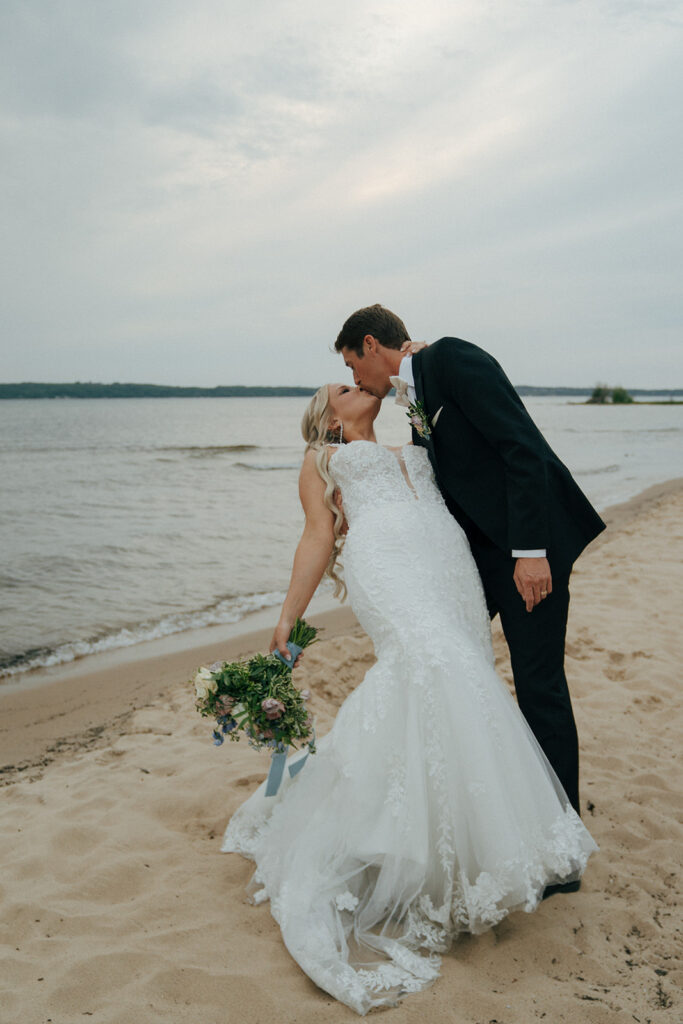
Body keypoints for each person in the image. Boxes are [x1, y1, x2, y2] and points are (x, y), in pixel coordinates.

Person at [221, 381, 598, 1015]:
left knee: (466, 675)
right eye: (342, 385)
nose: (355, 385)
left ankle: (463, 840)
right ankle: (398, 851)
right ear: (329, 419)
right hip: (388, 565)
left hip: (447, 566)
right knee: (426, 664)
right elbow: (318, 537)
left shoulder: (414, 436)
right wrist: (290, 617)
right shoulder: (322, 460)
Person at [335, 305, 606, 829]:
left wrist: (529, 554)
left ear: (371, 345)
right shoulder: (416, 392)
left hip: (529, 553)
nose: (355, 379)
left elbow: (521, 449)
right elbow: (450, 482)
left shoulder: (453, 358)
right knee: (455, 669)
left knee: (538, 685)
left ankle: (563, 835)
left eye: (352, 365)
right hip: (481, 562)